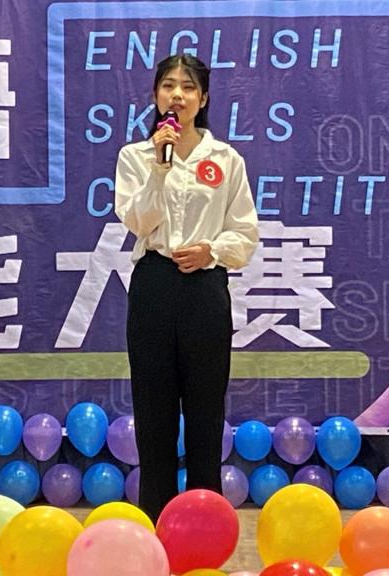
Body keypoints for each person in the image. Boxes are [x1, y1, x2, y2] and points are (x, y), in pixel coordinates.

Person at [114, 54, 259, 520]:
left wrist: (211, 251)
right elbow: (139, 221)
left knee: (204, 413)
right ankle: (156, 523)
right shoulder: (136, 157)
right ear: (156, 96)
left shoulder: (226, 159)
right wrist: (160, 167)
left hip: (205, 290)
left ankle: (204, 524)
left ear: (204, 98)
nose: (177, 95)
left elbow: (245, 233)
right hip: (154, 285)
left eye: (189, 87)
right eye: (168, 86)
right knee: (153, 414)